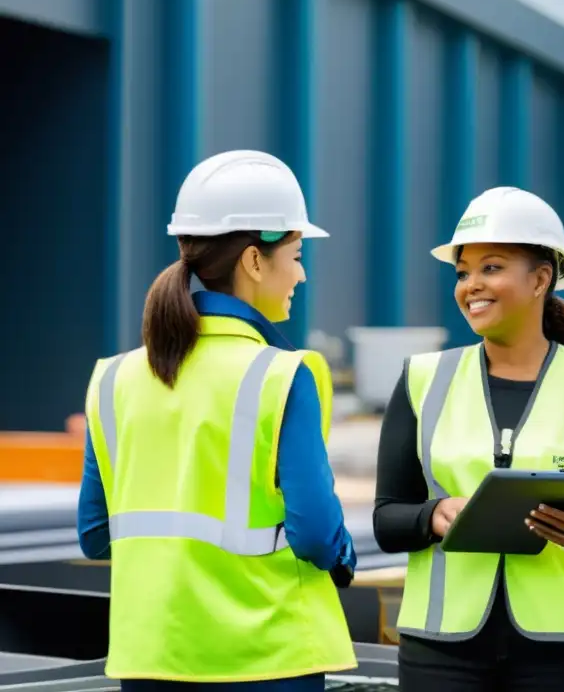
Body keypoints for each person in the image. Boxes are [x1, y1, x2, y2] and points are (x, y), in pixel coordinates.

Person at [76, 150, 358, 690]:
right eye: (297, 256)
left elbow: (95, 536)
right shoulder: (283, 375)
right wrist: (343, 555)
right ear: (255, 261)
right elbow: (319, 537)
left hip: (151, 655)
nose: (301, 274)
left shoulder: (113, 380)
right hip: (269, 658)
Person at [372, 186, 564, 691]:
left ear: (541, 279)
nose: (471, 285)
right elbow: (387, 519)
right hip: (442, 650)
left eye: (492, 268)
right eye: (463, 272)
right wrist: (430, 516)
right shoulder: (422, 379)